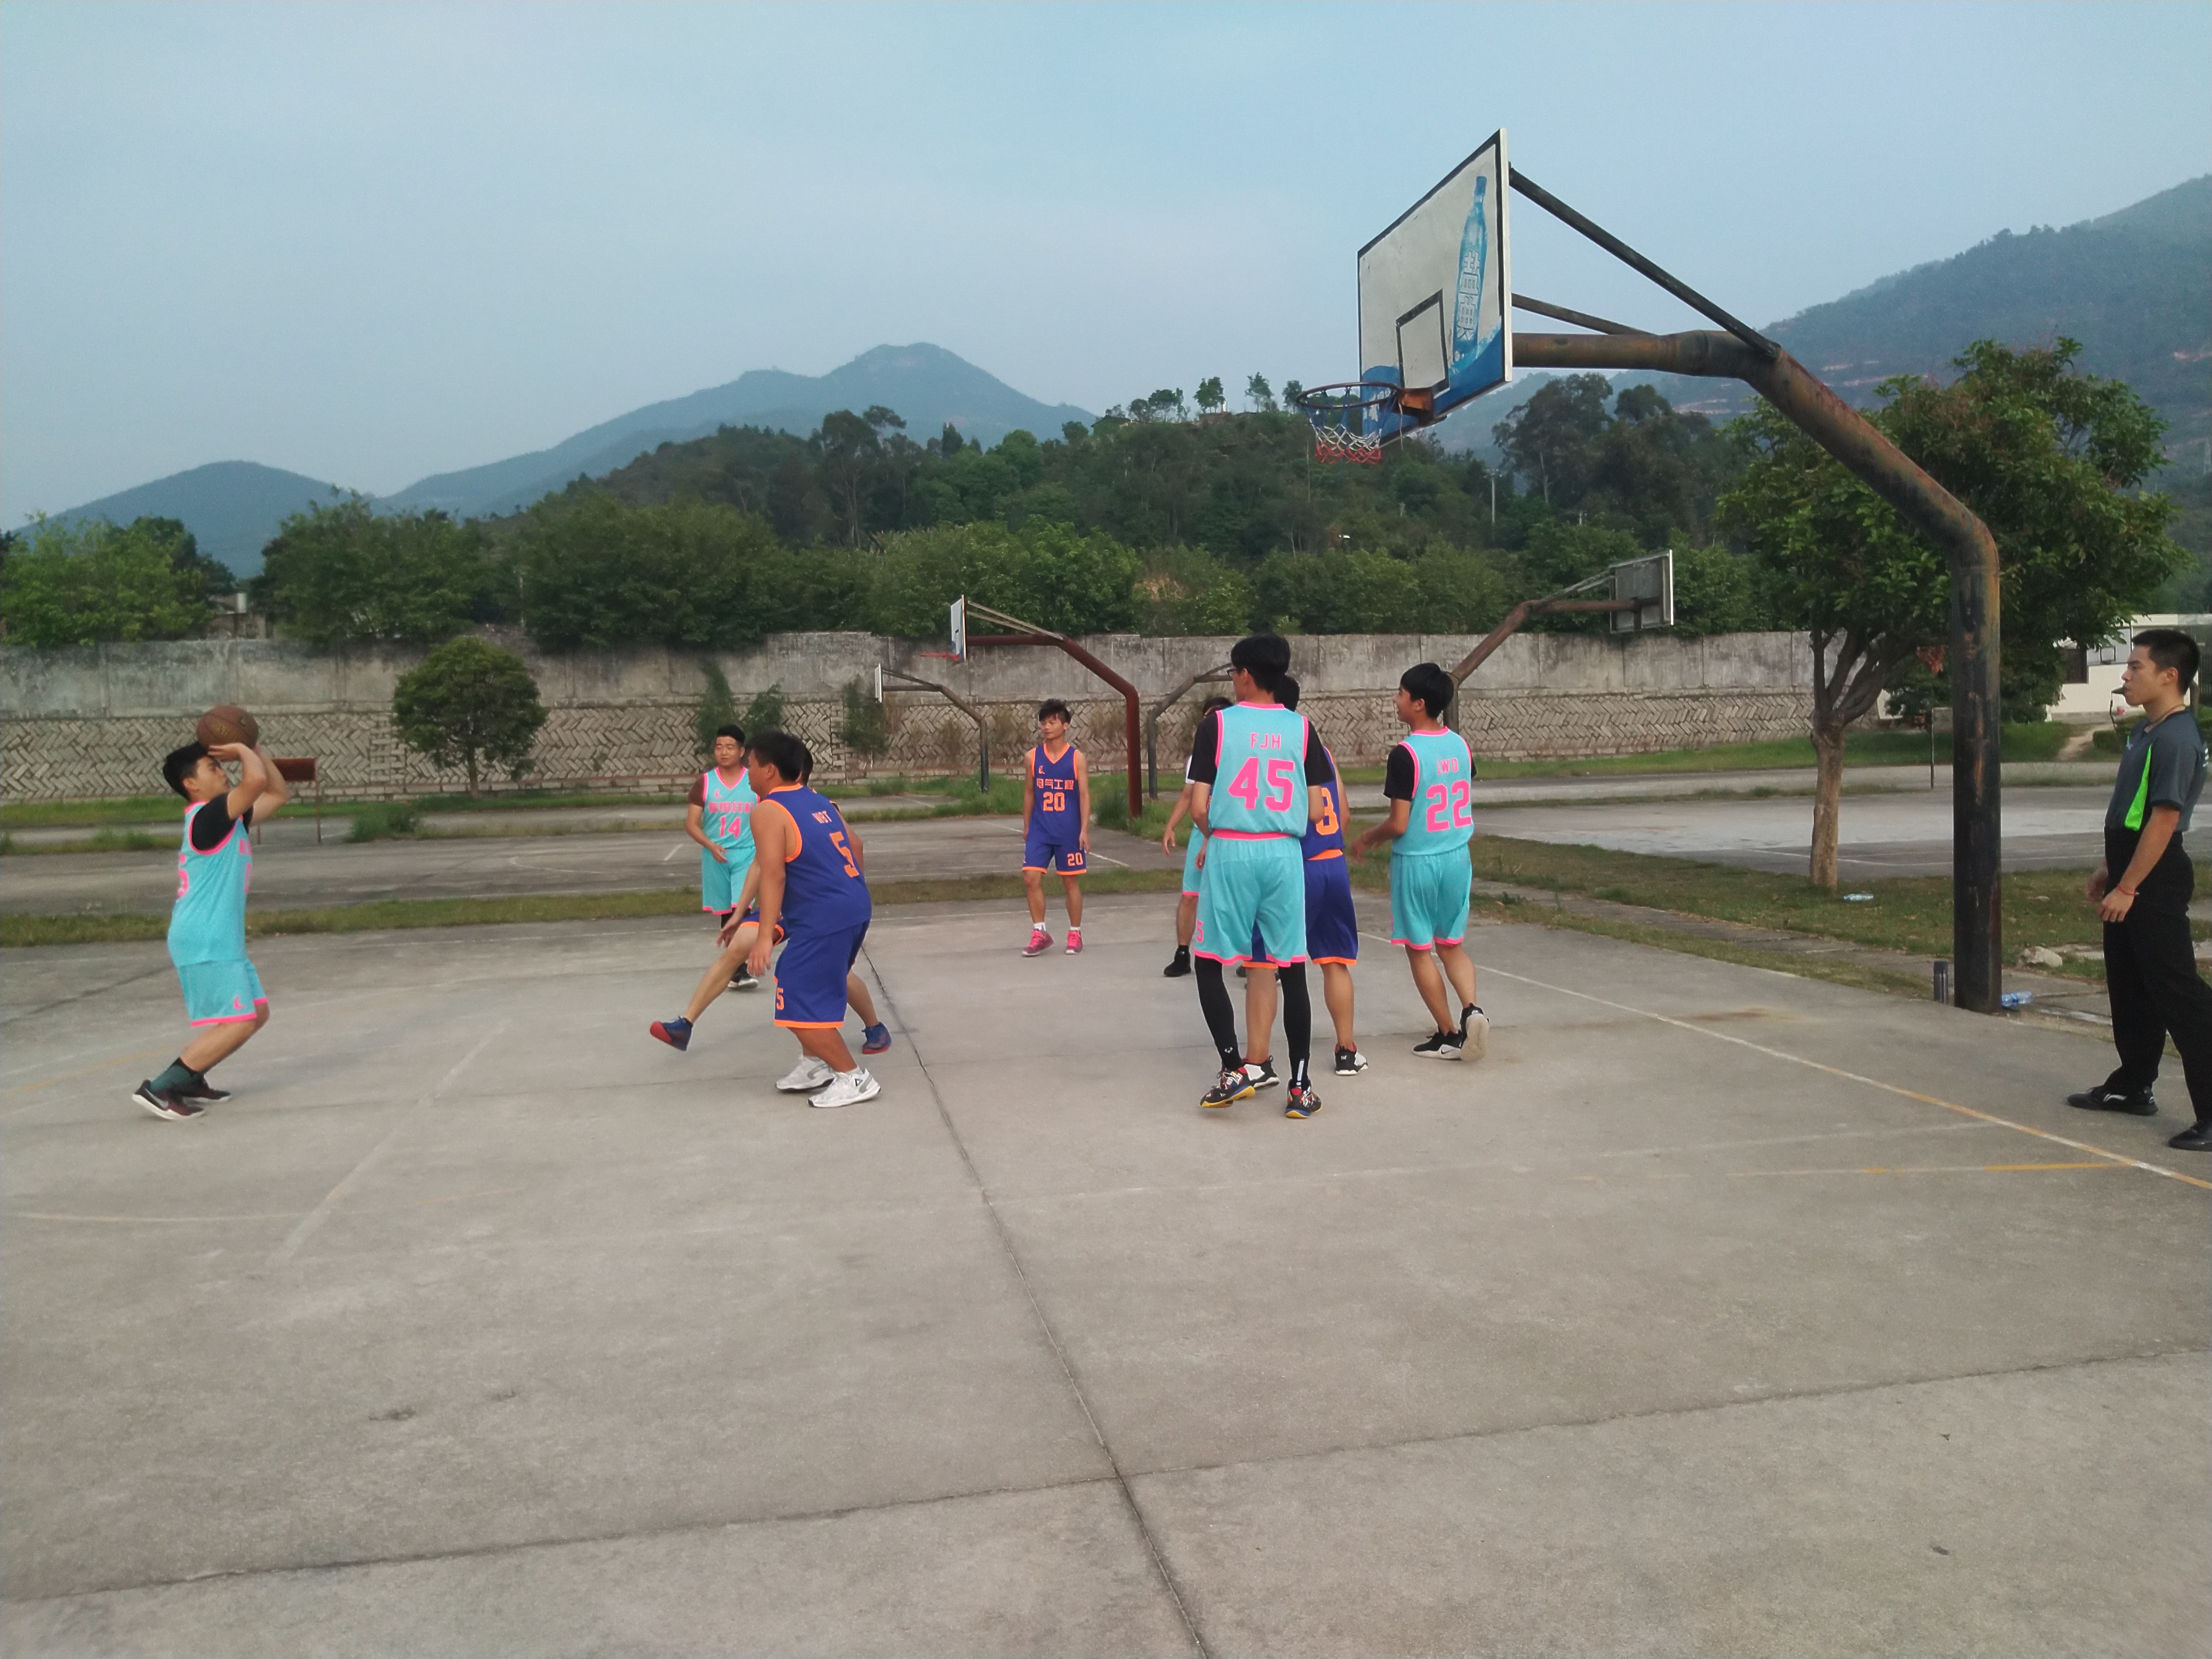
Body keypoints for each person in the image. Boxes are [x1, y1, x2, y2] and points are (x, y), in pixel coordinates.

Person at [650, 744, 890, 1060]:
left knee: (835, 973)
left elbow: (853, 846)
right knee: (737, 948)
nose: (748, 771)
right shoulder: (776, 807)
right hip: (786, 905)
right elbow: (762, 865)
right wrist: (739, 912)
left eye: (753, 765)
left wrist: (846, 891)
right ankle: (685, 1025)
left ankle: (873, 1027)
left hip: (815, 905)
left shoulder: (812, 806)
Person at [2068, 629, 2210, 1151]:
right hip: (2130, 864)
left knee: (2178, 993)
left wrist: (2129, 887)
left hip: (2154, 876)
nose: (2125, 676)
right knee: (2130, 986)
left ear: (2169, 676)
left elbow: (2164, 819)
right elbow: (2131, 812)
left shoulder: (2176, 737)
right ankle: (2132, 1086)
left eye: (2134, 667)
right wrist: (2110, 868)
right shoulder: (2145, 732)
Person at [1186, 633, 1332, 1118]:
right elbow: (1316, 810)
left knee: (1209, 959)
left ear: (1246, 674)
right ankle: (1300, 1087)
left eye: (1233, 671)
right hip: (1284, 852)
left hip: (1232, 848)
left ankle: (1234, 1068)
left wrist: (1221, 833)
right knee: (1292, 967)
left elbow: (1200, 806)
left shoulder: (1217, 725)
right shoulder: (1302, 728)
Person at [133, 736, 291, 1119]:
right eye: (213, 767)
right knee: (239, 1022)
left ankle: (190, 1079)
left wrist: (256, 751)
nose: (223, 772)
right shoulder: (208, 817)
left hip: (220, 938)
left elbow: (277, 794)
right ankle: (161, 1088)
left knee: (256, 1013)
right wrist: (242, 751)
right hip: (204, 937)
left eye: (221, 765)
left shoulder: (227, 819)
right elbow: (255, 783)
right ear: (190, 783)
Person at [1352, 663, 1487, 1061]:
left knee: (1419, 947)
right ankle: (1472, 1010)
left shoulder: (1406, 754)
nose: (1396, 700)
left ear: (1419, 703)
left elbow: (1399, 822)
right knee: (1451, 944)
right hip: (1457, 856)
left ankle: (1448, 1033)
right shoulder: (1460, 745)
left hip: (1418, 860)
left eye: (1401, 694)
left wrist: (1368, 838)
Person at [742, 731, 881, 1108]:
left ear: (769, 770)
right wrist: (847, 893)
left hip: (825, 917)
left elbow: (773, 875)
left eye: (750, 764)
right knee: (816, 989)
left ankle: (854, 1078)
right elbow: (856, 845)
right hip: (853, 906)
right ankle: (815, 1064)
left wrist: (764, 937)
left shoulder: (768, 810)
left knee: (794, 997)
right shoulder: (817, 799)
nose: (747, 772)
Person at [1160, 696, 1234, 978]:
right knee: (1191, 895)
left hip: (1228, 832)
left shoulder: (1238, 753)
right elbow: (1189, 796)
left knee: (1237, 897)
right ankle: (1182, 953)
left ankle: (1252, 956)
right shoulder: (1199, 756)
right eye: (1206, 716)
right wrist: (1170, 826)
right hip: (1201, 830)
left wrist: (1209, 839)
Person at [687, 723, 760, 992]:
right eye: (719, 747)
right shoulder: (705, 783)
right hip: (716, 855)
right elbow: (692, 824)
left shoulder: (754, 781)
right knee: (726, 911)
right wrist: (711, 845)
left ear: (742, 752)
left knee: (742, 907)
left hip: (747, 854)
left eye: (730, 747)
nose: (724, 752)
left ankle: (739, 968)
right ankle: (735, 966)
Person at [1021, 700, 1091, 957]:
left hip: (1068, 830)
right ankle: (1040, 933)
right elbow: (1030, 792)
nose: (1047, 727)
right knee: (1030, 878)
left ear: (1066, 725)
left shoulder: (1076, 758)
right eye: (1043, 723)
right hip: (1041, 828)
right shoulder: (1032, 757)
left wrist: (1084, 829)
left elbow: (1084, 795)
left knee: (1070, 880)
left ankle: (1075, 932)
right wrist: (1027, 825)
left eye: (1052, 722)